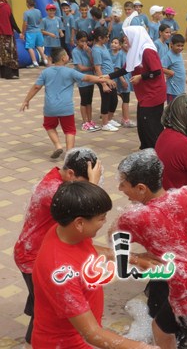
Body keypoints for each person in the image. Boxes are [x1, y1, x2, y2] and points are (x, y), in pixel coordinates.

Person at [115, 149, 187, 349]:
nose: (120, 188)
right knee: (161, 328)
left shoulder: (136, 218)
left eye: (123, 183)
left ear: (141, 188)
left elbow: (109, 236)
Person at [31, 181, 157, 349]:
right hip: (66, 344)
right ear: (80, 223)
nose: (105, 222)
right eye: (101, 218)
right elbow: (92, 334)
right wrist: (143, 347)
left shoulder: (63, 229)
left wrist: (134, 258)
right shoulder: (61, 272)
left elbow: (88, 250)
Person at [14, 148, 101, 346]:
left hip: (36, 248)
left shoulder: (59, 178)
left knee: (41, 302)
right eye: (85, 182)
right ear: (70, 174)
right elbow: (89, 207)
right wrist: (93, 185)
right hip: (33, 256)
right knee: (48, 309)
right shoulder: (53, 190)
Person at [21, 47, 112, 158]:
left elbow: (36, 87)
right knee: (69, 130)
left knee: (49, 126)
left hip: (50, 107)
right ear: (64, 58)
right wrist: (102, 79)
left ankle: (58, 146)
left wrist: (26, 100)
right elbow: (87, 78)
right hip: (66, 107)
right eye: (67, 55)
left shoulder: (45, 72)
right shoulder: (70, 72)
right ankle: (69, 153)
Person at [108, 26, 167, 149]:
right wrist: (108, 76)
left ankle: (156, 151)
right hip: (144, 94)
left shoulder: (147, 50)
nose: (125, 42)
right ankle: (146, 149)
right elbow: (125, 69)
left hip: (153, 94)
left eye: (127, 38)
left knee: (151, 125)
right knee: (143, 123)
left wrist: (141, 76)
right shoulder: (134, 50)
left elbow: (156, 71)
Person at [72, 31, 99, 132]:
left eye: (86, 41)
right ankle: (84, 122)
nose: (84, 44)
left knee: (89, 101)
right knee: (84, 101)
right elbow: (81, 68)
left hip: (90, 79)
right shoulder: (75, 51)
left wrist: (89, 53)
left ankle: (90, 120)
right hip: (82, 79)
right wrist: (92, 68)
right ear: (77, 41)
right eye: (81, 41)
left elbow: (94, 62)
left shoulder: (88, 50)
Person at [111, 36, 136, 129]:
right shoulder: (120, 54)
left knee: (125, 99)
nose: (127, 45)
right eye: (125, 43)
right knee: (125, 99)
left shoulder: (129, 53)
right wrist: (122, 80)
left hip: (128, 80)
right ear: (121, 45)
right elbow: (117, 69)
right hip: (123, 81)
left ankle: (123, 118)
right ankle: (126, 119)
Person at [21, 0, 47, 68]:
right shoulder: (38, 11)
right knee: (39, 46)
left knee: (30, 47)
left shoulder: (26, 13)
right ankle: (45, 60)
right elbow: (40, 20)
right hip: (38, 31)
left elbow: (25, 23)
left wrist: (23, 33)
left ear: (27, 4)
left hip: (30, 32)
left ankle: (35, 62)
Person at [161, 34, 186, 103]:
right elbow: (160, 67)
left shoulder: (179, 54)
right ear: (171, 44)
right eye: (178, 45)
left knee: (179, 109)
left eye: (182, 46)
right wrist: (169, 72)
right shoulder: (168, 55)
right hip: (172, 90)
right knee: (172, 109)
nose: (180, 48)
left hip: (180, 89)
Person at [0, 0, 19, 79]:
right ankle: (10, 74)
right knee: (9, 53)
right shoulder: (6, 7)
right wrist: (19, 31)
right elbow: (12, 21)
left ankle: (2, 73)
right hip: (7, 34)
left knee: (1, 54)